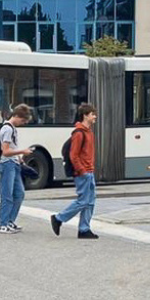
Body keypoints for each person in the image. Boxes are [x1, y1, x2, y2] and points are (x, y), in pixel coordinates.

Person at [51, 103, 99, 240]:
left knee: (90, 202)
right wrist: (82, 170)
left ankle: (84, 229)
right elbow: (74, 155)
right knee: (83, 201)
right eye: (92, 114)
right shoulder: (79, 133)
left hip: (89, 171)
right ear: (85, 116)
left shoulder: (89, 132)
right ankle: (58, 218)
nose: (95, 117)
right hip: (83, 173)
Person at [0, 104, 34, 233]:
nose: (22, 123)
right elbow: (5, 151)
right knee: (7, 194)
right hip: (7, 164)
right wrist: (22, 151)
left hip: (14, 163)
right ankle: (3, 224)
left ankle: (10, 221)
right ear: (17, 116)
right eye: (23, 121)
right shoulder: (7, 129)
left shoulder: (12, 129)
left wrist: (19, 157)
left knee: (19, 193)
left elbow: (10, 148)